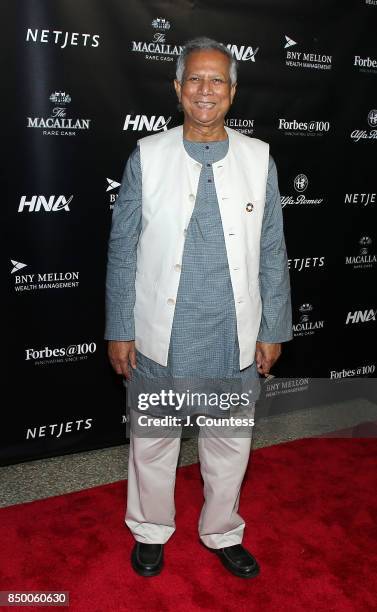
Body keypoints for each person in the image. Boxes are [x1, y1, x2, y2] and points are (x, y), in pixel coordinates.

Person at [105, 36, 292, 578]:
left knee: (230, 443)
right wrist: (120, 327)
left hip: (233, 334)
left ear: (232, 92)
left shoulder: (259, 159)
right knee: (153, 440)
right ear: (177, 88)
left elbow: (273, 250)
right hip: (160, 334)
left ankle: (221, 530)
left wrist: (273, 326)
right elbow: (122, 251)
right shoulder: (148, 155)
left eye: (216, 81)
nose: (204, 91)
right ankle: (150, 529)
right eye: (194, 79)